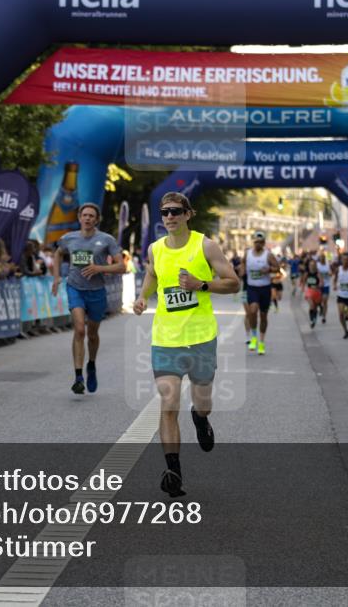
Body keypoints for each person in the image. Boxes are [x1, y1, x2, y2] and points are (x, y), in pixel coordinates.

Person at [132, 191, 240, 497]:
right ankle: (173, 470)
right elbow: (153, 274)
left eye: (176, 211)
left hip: (201, 338)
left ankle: (200, 417)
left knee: (202, 401)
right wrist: (142, 296)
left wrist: (200, 285)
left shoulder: (205, 245)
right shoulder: (155, 249)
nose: (170, 217)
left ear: (187, 214)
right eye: (165, 212)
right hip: (165, 339)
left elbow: (233, 282)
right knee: (168, 405)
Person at [51, 203, 125, 394]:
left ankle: (91, 365)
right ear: (79, 217)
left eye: (91, 216)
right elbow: (58, 253)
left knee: (92, 334)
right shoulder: (69, 238)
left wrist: (99, 268)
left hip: (97, 291)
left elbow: (121, 267)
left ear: (97, 219)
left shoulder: (106, 240)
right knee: (79, 330)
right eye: (84, 215)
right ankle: (78, 376)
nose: (88, 218)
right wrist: (57, 276)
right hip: (75, 287)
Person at [238, 231, 279, 355]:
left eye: (260, 242)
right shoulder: (247, 254)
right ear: (253, 242)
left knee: (263, 316)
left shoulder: (268, 255)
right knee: (252, 311)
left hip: (265, 288)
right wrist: (242, 270)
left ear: (264, 243)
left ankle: (261, 342)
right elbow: (243, 264)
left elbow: (277, 268)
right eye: (256, 242)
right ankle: (254, 336)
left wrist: (269, 269)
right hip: (252, 288)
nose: (258, 244)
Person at [300, 257, 324, 328]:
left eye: (313, 265)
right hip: (309, 291)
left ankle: (314, 319)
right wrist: (303, 288)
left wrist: (320, 285)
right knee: (311, 306)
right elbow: (303, 281)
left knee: (315, 307)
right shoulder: (307, 273)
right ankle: (311, 320)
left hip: (316, 291)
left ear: (315, 266)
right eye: (310, 265)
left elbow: (321, 281)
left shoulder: (317, 273)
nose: (311, 266)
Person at [316, 251, 332, 323]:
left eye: (323, 258)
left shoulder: (327, 265)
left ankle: (324, 317)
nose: (322, 259)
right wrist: (320, 279)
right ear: (319, 259)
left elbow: (330, 273)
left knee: (325, 301)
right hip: (319, 285)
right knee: (319, 301)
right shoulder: (318, 265)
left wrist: (329, 274)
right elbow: (316, 273)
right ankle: (321, 308)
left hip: (326, 285)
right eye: (321, 258)